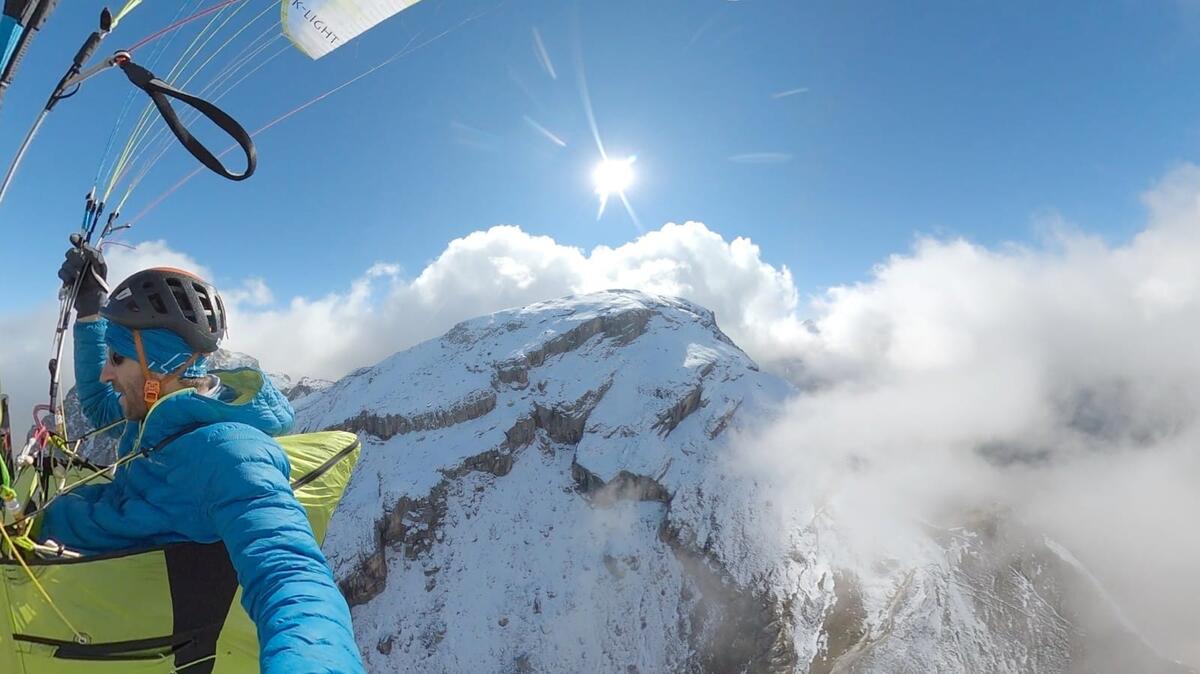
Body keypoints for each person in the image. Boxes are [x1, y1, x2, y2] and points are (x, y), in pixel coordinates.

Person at [41, 243, 365, 674]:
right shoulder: (157, 420)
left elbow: (293, 577)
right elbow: (100, 405)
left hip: (83, 623)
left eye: (117, 357)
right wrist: (89, 315)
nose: (106, 372)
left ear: (160, 367)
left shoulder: (229, 452)